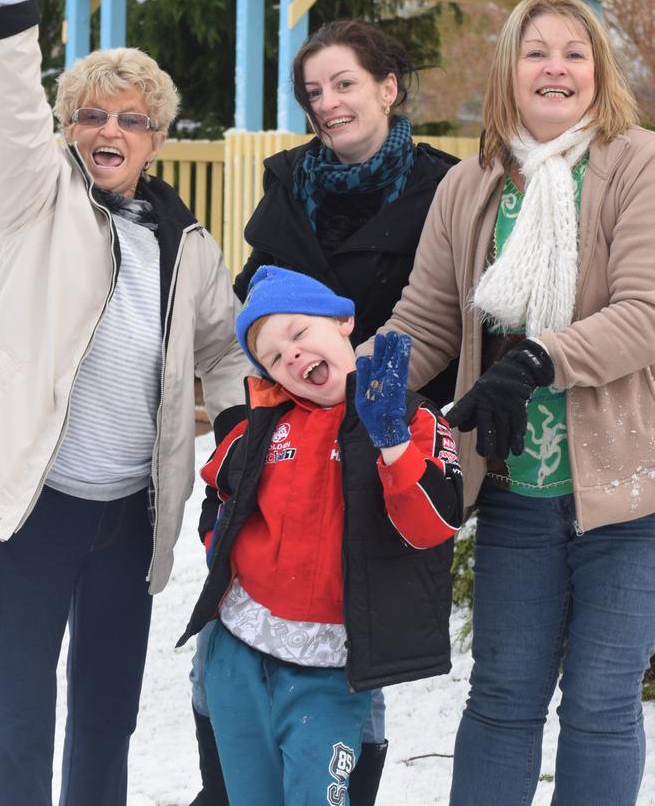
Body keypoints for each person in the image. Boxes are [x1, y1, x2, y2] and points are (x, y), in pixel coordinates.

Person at [0, 0, 250, 806]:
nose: (109, 129)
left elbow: (223, 356)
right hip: (33, 509)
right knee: (19, 724)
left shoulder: (189, 246)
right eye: (90, 115)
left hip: (130, 518)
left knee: (106, 721)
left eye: (130, 119)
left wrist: (240, 445)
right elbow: (8, 106)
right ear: (68, 129)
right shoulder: (36, 198)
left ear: (156, 136)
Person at [358, 0, 655, 806]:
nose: (556, 67)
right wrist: (341, 375)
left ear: (598, 71)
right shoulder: (472, 187)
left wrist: (538, 359)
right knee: (500, 702)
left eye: (575, 52)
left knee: (602, 707)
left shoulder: (643, 164)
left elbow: (651, 314)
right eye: (537, 52)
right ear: (510, 71)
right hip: (513, 494)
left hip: (632, 495)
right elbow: (422, 321)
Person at [188, 17, 460, 805]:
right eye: (314, 92)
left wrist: (393, 415)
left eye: (345, 83)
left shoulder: (440, 187)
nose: (329, 103)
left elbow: (457, 308)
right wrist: (271, 378)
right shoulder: (288, 187)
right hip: (287, 420)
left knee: (326, 750)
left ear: (387, 87)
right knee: (237, 763)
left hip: (380, 430)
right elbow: (257, 299)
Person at [178, 266, 463, 805]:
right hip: (241, 652)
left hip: (331, 672)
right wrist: (220, 546)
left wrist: (392, 444)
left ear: (343, 321)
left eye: (299, 332)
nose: (290, 355)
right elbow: (219, 487)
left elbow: (434, 527)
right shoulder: (261, 426)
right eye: (273, 356)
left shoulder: (410, 419)